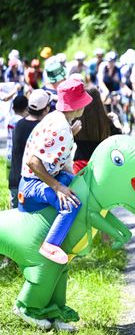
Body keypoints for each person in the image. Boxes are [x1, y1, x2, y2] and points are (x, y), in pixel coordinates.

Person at [18, 78, 92, 266]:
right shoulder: (61, 127)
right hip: (31, 184)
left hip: (41, 177)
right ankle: (50, 245)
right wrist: (57, 187)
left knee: (72, 180)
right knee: (71, 205)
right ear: (77, 106)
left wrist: (70, 134)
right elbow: (32, 161)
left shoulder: (57, 118)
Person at [9, 90, 51, 208]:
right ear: (46, 109)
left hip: (15, 180)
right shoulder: (42, 128)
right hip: (32, 184)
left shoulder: (19, 124)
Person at [73, 88, 121, 173]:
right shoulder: (105, 121)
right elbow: (119, 136)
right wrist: (116, 120)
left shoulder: (77, 121)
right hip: (100, 164)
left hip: (80, 165)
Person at [6, 95, 28, 179]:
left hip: (9, 153)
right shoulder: (21, 122)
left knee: (11, 182)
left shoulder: (11, 119)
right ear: (26, 108)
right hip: (17, 156)